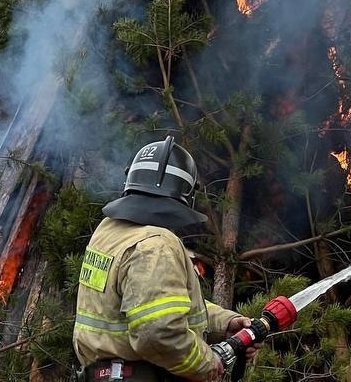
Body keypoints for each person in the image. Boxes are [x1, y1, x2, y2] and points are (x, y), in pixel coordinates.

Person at [73, 135, 296, 382]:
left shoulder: (110, 232)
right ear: (185, 195)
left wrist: (225, 323)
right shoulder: (155, 245)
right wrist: (206, 363)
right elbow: (157, 332)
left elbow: (161, 306)